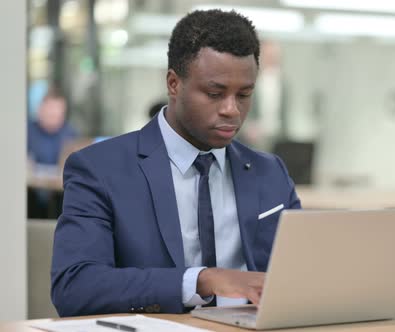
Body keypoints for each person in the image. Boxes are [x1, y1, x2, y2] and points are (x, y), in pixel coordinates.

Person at [51, 9, 301, 317]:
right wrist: (202, 280)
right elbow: (75, 287)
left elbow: (304, 275)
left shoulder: (269, 172)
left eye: (244, 95)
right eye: (215, 93)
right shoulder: (99, 169)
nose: (232, 110)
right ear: (173, 83)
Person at [27, 86, 78, 165]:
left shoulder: (71, 134)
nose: (54, 113)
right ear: (40, 110)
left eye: (58, 110)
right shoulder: (27, 132)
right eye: (50, 109)